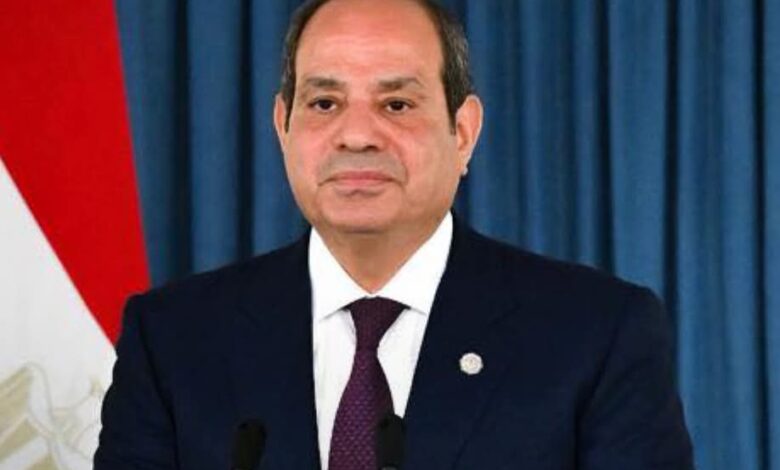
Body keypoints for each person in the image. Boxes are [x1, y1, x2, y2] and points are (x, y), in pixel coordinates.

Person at [94, 0, 694, 468]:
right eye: (324, 103)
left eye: (397, 105)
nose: (357, 136)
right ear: (282, 126)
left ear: (463, 131)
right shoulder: (173, 340)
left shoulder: (596, 335)